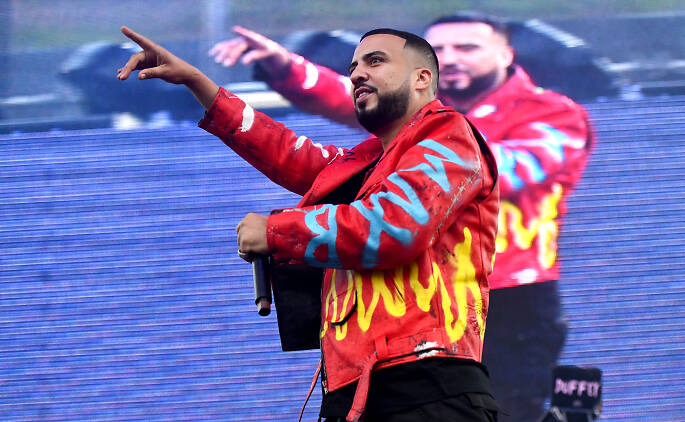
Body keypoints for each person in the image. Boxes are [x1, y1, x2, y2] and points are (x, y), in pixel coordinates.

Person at [209, 11, 595, 422]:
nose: (453, 57)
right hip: (419, 298)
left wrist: (408, 141)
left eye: (467, 47)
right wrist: (287, 68)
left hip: (514, 295)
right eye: (442, 49)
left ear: (506, 54)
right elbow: (355, 97)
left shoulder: (553, 114)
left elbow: (506, 168)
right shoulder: (414, 129)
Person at [118, 26, 502, 422]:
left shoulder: (446, 132)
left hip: (426, 387)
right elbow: (289, 153)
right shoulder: (370, 161)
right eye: (353, 67)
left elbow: (395, 227)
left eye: (375, 61)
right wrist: (199, 84)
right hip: (358, 390)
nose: (356, 74)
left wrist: (274, 232)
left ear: (423, 78)